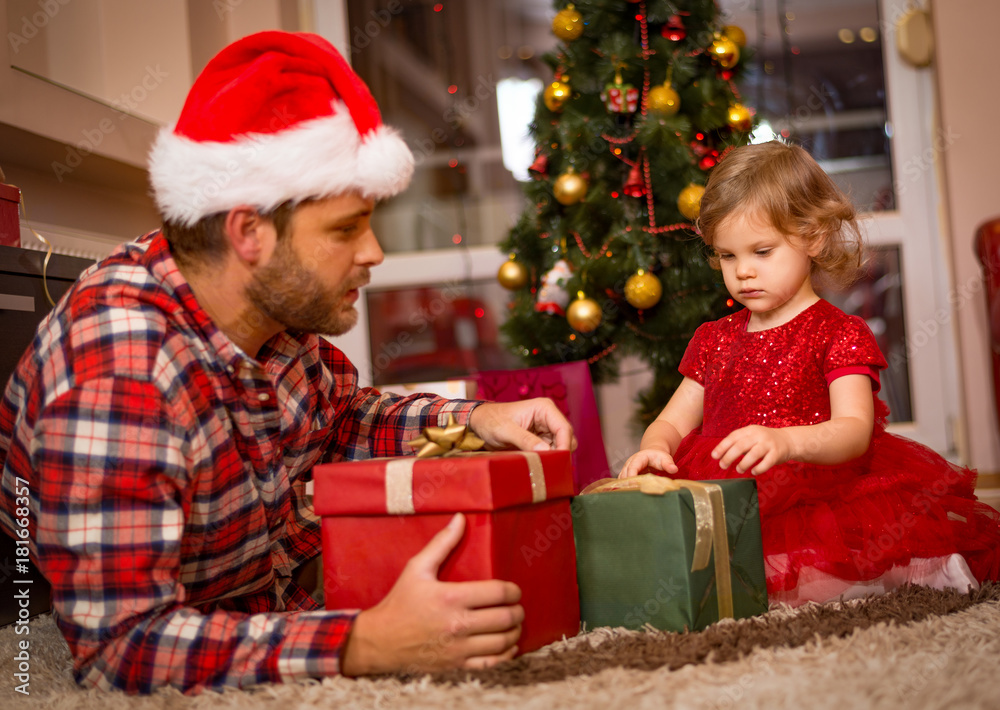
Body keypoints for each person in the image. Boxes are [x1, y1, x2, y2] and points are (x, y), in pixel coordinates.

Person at [0, 31, 575, 693]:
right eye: (345, 228)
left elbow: (344, 418)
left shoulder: (274, 319)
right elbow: (117, 649)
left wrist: (480, 419)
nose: (374, 252)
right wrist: (364, 643)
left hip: (260, 595)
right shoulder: (123, 369)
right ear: (249, 233)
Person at [619, 141, 1000, 606]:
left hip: (823, 493)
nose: (743, 273)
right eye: (728, 256)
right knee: (690, 578)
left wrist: (786, 442)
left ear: (813, 237)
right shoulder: (714, 339)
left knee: (839, 573)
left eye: (762, 251)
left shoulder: (839, 332)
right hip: (731, 495)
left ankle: (901, 571)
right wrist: (654, 450)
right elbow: (674, 421)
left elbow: (854, 431)